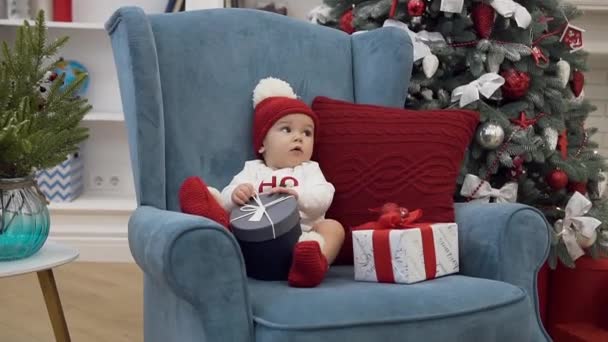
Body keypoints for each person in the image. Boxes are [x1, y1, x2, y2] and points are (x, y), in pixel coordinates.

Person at [179, 77, 345, 288]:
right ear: (262, 144)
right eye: (287, 129)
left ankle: (313, 264)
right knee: (220, 199)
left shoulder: (309, 170)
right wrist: (236, 194)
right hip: (256, 242)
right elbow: (232, 193)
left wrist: (298, 197)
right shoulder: (253, 170)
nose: (299, 138)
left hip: (301, 242)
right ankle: (214, 219)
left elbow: (324, 197)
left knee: (333, 228)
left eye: (307, 132)